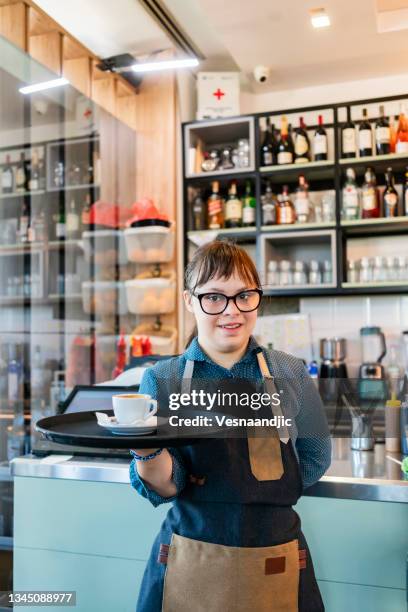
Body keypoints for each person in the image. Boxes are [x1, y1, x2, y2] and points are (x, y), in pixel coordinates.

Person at [130, 240, 331, 612]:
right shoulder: (163, 379)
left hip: (276, 554)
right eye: (214, 298)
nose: (231, 311)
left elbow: (316, 457)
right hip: (192, 552)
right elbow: (162, 485)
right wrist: (146, 449)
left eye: (243, 296)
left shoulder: (291, 371)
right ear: (190, 300)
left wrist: (263, 488)